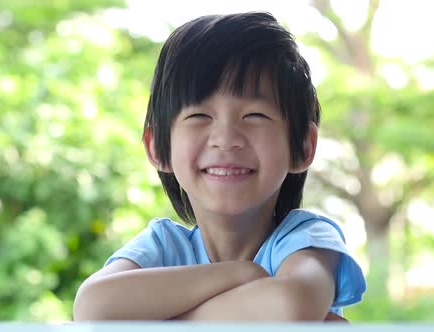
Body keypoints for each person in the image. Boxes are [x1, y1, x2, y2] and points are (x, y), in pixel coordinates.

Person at [73, 11, 366, 321]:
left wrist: (157, 321)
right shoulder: (164, 244)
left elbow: (289, 306)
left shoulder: (306, 239)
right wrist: (243, 274)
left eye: (255, 116)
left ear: (302, 146)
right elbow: (93, 308)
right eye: (199, 116)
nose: (226, 139)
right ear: (157, 146)